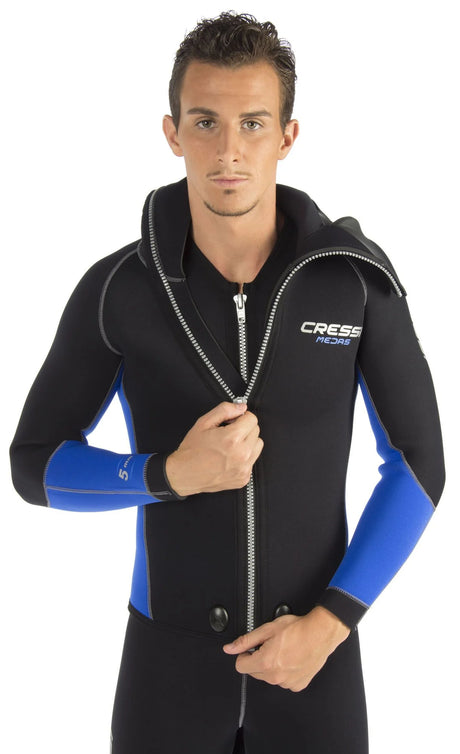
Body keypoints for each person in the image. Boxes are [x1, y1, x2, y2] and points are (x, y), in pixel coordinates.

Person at [10, 11, 445, 754]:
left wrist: (331, 623)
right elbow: (34, 464)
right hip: (167, 672)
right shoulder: (119, 289)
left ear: (288, 136)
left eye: (252, 123)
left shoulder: (354, 284)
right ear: (172, 132)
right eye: (205, 122)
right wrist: (167, 475)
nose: (229, 151)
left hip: (314, 668)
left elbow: (419, 464)